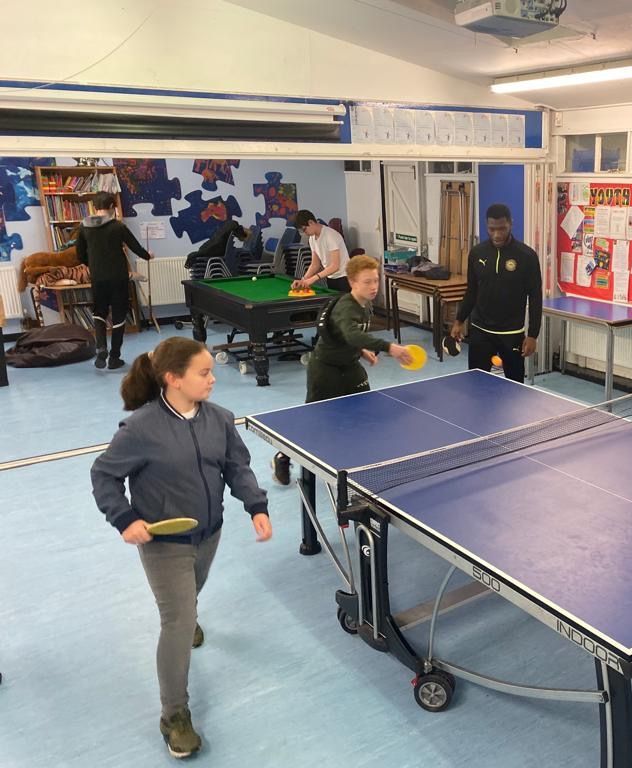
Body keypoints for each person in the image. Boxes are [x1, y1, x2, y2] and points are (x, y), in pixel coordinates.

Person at [91, 337, 273, 759]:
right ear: (173, 379)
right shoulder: (141, 429)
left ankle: (189, 615)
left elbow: (236, 467)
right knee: (177, 620)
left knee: (192, 594)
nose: (213, 379)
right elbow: (103, 476)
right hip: (164, 543)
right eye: (204, 373)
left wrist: (256, 506)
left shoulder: (220, 419)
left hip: (209, 533)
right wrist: (125, 519)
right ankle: (174, 715)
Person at [271, 254, 414, 485]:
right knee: (313, 420)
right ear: (352, 282)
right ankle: (283, 456)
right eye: (367, 282)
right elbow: (352, 334)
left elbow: (347, 337)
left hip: (349, 366)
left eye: (376, 280)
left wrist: (361, 351)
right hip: (324, 370)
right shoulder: (346, 307)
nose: (374, 286)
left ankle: (360, 464)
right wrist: (390, 347)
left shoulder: (365, 304)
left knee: (365, 410)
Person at [451, 203, 542, 384]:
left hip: (512, 333)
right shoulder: (477, 253)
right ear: (487, 226)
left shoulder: (527, 256)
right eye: (492, 229)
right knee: (476, 384)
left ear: (510, 224)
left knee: (514, 388)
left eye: (502, 229)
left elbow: (535, 297)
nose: (497, 235)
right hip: (481, 331)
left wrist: (533, 335)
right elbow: (472, 291)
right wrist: (459, 320)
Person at [76, 191, 151, 370]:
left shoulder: (84, 226)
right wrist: (148, 256)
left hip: (98, 277)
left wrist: (92, 264)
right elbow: (135, 247)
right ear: (111, 207)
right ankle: (114, 358)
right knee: (119, 315)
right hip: (118, 277)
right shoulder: (118, 227)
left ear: (94, 207)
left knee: (99, 312)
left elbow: (80, 255)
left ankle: (101, 347)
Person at [292, 209, 350, 293]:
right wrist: (303, 280)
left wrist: (313, 279)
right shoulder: (312, 238)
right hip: (330, 277)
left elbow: (335, 266)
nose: (304, 233)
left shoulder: (330, 236)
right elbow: (315, 264)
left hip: (344, 277)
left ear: (311, 222)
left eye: (304, 229)